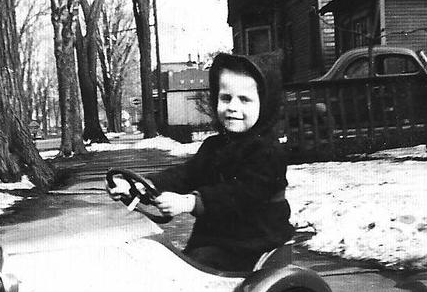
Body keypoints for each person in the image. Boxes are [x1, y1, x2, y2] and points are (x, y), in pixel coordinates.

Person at [107, 53, 294, 271]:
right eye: (226, 98)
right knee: (160, 257)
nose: (232, 107)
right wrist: (143, 185)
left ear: (265, 104)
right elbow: (186, 174)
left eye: (244, 100)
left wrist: (190, 202)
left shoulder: (268, 152)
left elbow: (241, 194)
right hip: (216, 239)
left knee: (193, 266)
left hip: (253, 242)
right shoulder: (214, 146)